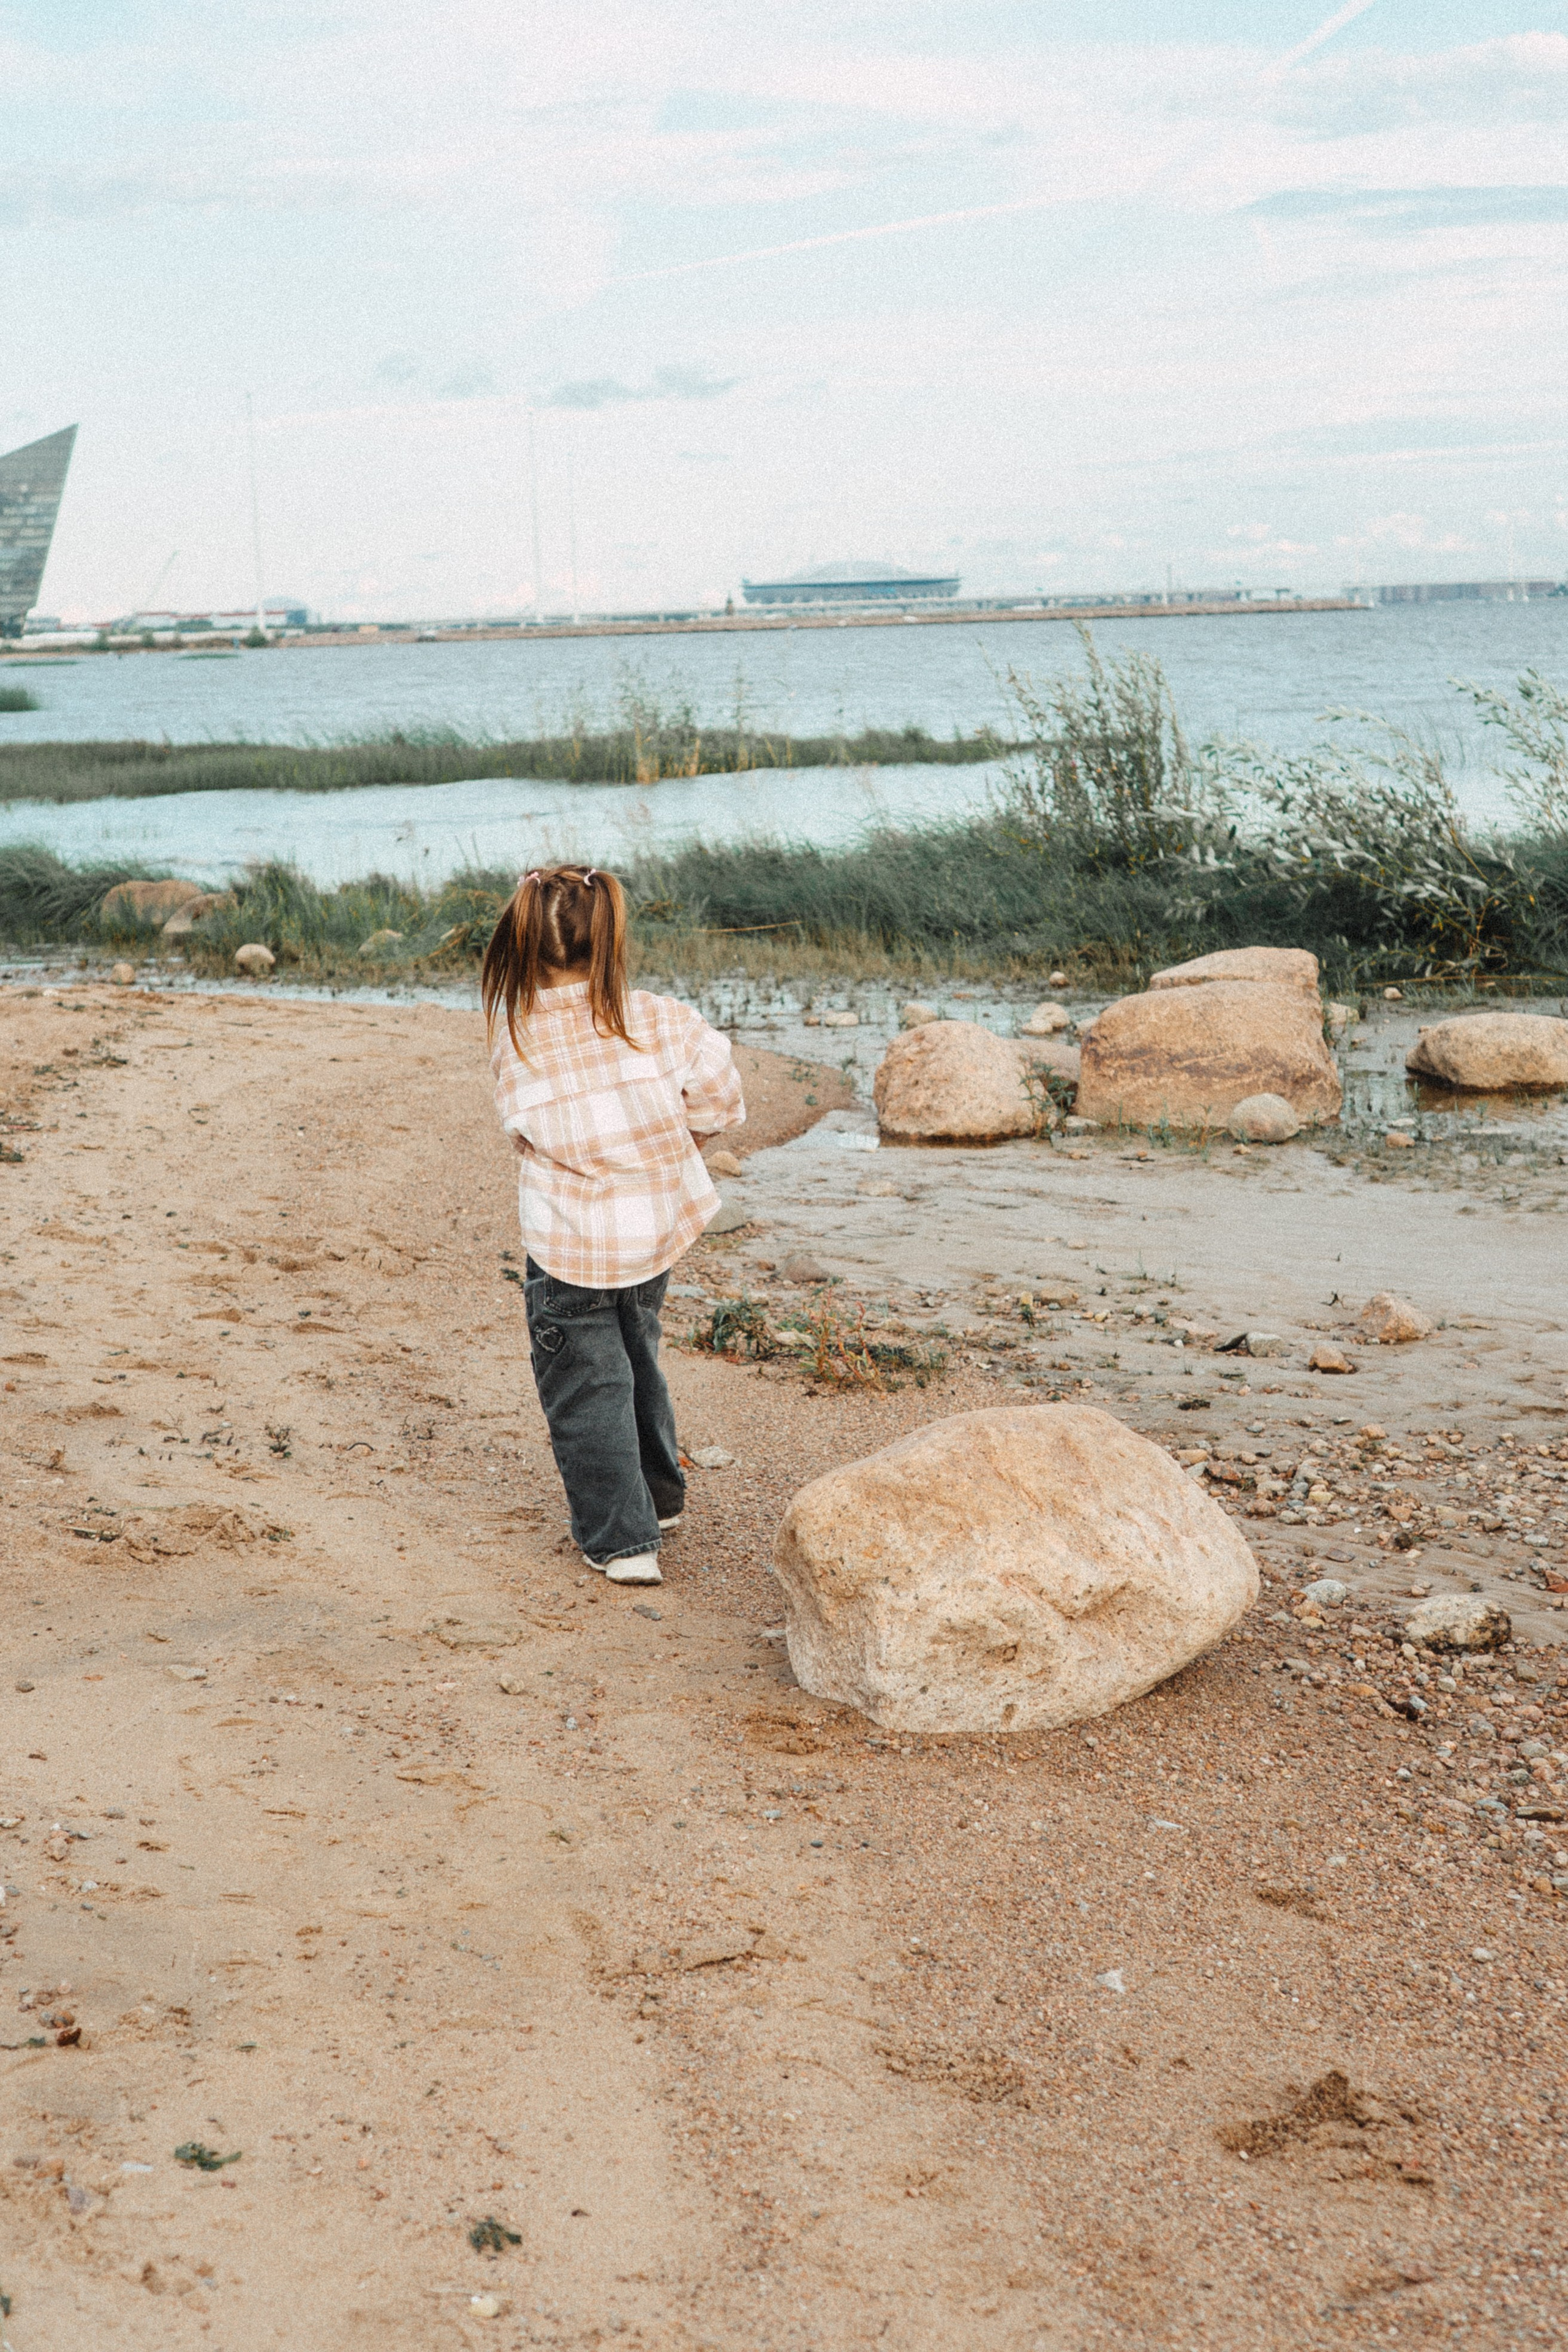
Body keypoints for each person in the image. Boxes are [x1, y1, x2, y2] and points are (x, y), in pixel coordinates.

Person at [483, 864, 744, 1586]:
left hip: (569, 1242)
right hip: (652, 1230)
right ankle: (659, 1497)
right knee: (636, 1354)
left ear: (520, 947)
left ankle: (624, 1542)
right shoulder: (662, 1019)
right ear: (611, 942)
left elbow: (522, 1130)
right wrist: (676, 1143)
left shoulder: (516, 1035)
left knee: (586, 1381)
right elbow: (720, 1099)